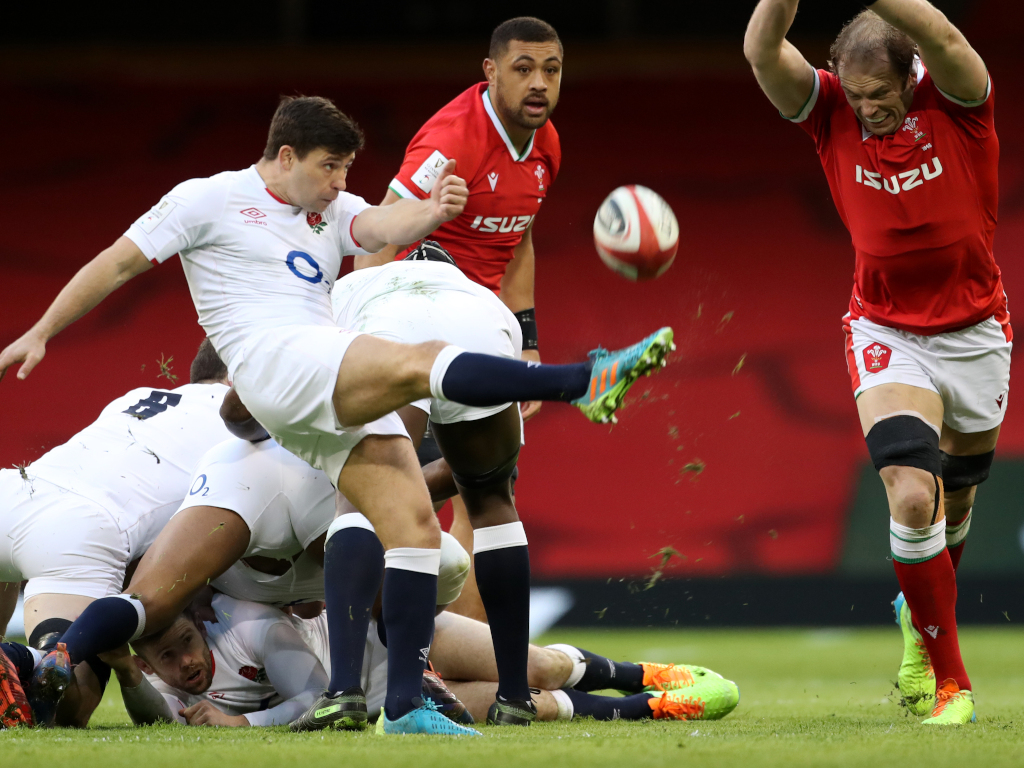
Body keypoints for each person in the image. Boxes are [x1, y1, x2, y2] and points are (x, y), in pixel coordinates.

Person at [0, 94, 673, 734]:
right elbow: (118, 264)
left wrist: (432, 208)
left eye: (346, 170)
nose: (338, 183)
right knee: (419, 361)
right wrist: (43, 329)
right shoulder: (207, 198)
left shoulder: (327, 209)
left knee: (407, 527)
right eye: (329, 168)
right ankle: (580, 379)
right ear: (285, 155)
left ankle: (402, 704)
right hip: (277, 363)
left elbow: (384, 224)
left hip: (299, 404)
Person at [744, 0, 1005, 725]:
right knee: (914, 495)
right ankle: (949, 680)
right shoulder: (830, 114)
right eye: (857, 96)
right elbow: (764, 51)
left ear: (911, 77)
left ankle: (917, 620)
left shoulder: (959, 101)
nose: (869, 111)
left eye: (881, 97)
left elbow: (944, 32)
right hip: (885, 328)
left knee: (957, 506)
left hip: (976, 332)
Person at [357, 16, 564, 627]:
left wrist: (526, 345)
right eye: (523, 68)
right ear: (491, 71)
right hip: (411, 330)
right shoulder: (452, 140)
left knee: (488, 496)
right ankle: (350, 645)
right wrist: (360, 344)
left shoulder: (546, 144)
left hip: (480, 336)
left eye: (551, 70)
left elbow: (519, 239)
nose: (539, 84)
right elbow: (377, 234)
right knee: (375, 490)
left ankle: (469, 652)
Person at [314, 243, 536, 726]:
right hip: (483, 333)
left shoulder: (352, 287)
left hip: (390, 329)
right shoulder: (485, 299)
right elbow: (494, 465)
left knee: (360, 498)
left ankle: (344, 691)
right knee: (494, 501)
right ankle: (516, 696)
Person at [0, 338, 232, 726]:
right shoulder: (243, 427)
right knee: (66, 707)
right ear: (237, 376)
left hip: (14, 486)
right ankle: (24, 657)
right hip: (80, 528)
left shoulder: (138, 395)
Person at [100, 595, 738, 728]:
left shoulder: (252, 630)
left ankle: (644, 673)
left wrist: (250, 727)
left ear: (199, 622)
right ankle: (653, 708)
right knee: (523, 709)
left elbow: (316, 696)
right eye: (164, 656)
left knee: (534, 669)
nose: (184, 662)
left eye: (185, 642)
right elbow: (157, 720)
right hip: (385, 700)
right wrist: (130, 675)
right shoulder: (161, 684)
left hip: (390, 636)